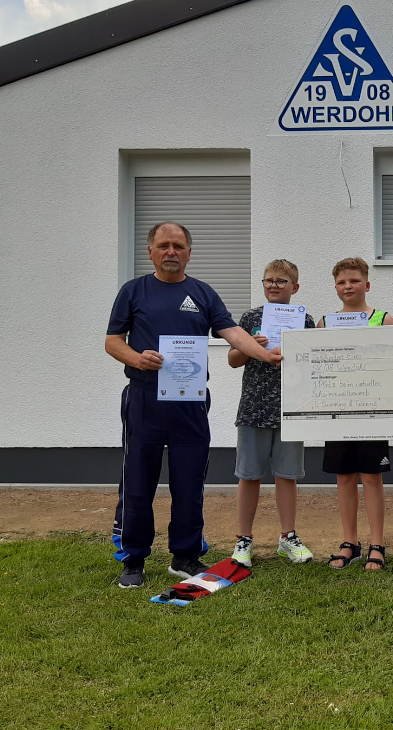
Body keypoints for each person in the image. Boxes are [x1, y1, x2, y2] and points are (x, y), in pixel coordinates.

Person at [105, 222, 282, 589]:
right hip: (144, 398)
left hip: (190, 401)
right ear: (151, 252)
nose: (171, 251)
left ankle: (184, 556)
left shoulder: (202, 293)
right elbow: (112, 341)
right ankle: (133, 558)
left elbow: (232, 333)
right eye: (164, 245)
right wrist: (137, 359)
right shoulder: (133, 291)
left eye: (178, 246)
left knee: (189, 481)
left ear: (189, 253)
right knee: (138, 481)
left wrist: (264, 354)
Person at [229, 259, 315, 568]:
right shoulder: (250, 318)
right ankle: (244, 539)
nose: (274, 286)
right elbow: (233, 360)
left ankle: (287, 536)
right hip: (254, 407)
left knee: (287, 476)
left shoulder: (305, 320)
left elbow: (313, 362)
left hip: (290, 408)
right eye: (269, 280)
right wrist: (250, 346)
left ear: (295, 287)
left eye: (281, 281)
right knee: (249, 475)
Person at [317, 257, 393, 570]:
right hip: (338, 411)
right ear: (335, 287)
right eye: (341, 282)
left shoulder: (383, 319)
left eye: (354, 280)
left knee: (372, 477)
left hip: (372, 411)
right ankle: (350, 542)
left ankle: (377, 543)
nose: (347, 286)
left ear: (367, 284)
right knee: (345, 477)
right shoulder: (326, 323)